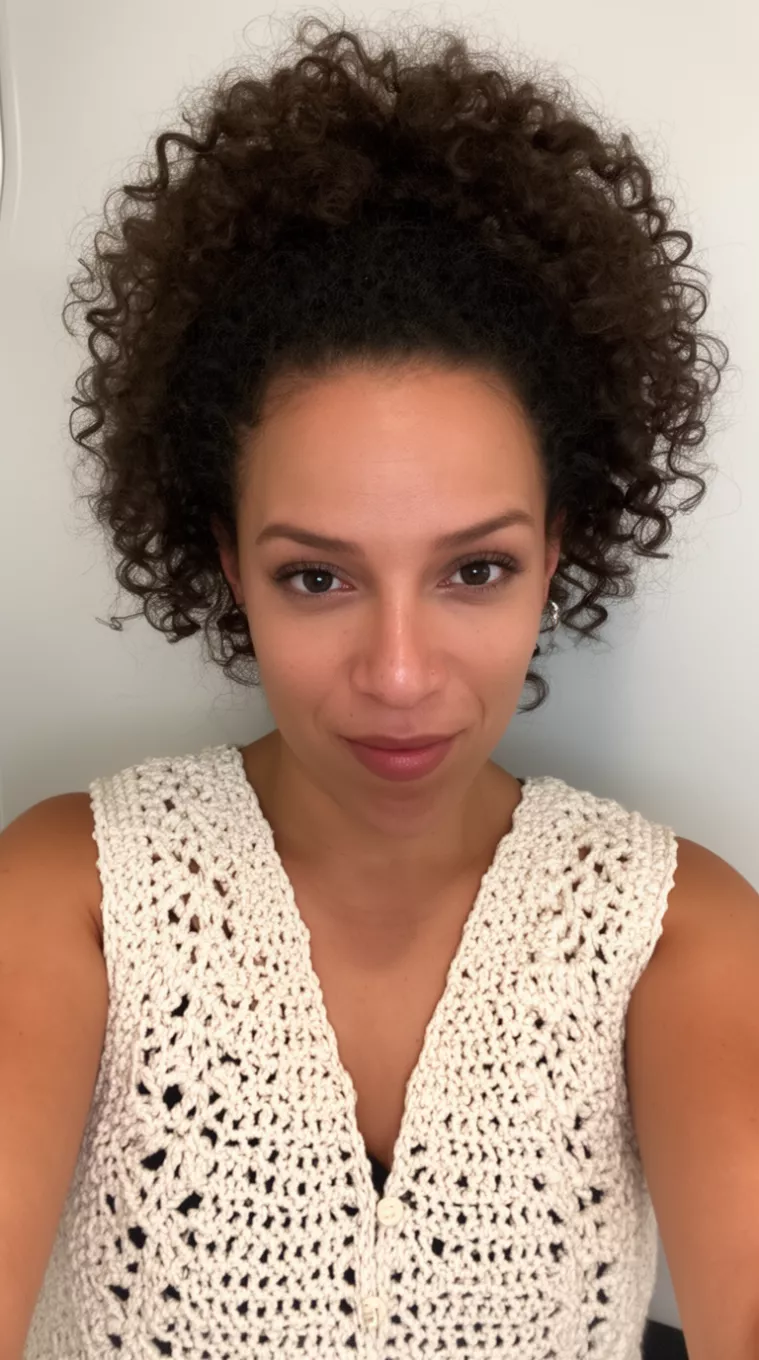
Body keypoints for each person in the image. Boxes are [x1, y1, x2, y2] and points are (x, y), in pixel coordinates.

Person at [1, 14, 745, 1360]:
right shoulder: (72, 899)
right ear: (223, 559)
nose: (400, 675)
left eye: (473, 571)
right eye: (316, 579)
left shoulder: (672, 933)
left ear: (555, 553)